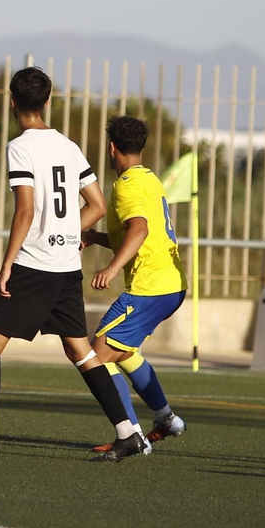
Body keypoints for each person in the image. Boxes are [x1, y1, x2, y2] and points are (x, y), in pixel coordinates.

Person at [0, 67, 149, 463]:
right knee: (82, 352)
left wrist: (7, 265)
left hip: (34, 264)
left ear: (13, 101)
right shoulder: (69, 146)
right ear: (48, 101)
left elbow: (25, 210)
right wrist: (67, 234)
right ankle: (128, 432)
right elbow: (98, 206)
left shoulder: (19, 147)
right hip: (66, 266)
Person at [83, 116, 187, 451]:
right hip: (171, 284)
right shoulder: (149, 179)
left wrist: (112, 269)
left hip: (150, 286)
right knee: (122, 350)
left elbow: (139, 230)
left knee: (97, 356)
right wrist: (97, 238)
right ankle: (166, 419)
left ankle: (133, 437)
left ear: (112, 148)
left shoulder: (126, 183)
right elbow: (139, 234)